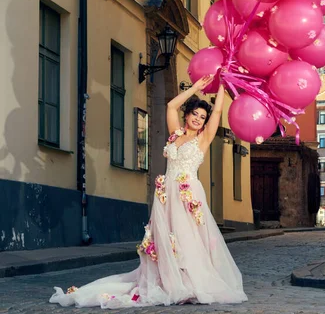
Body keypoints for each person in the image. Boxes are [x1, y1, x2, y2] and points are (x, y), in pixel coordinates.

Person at [50, 75, 247, 308]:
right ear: (188, 115)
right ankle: (168, 279)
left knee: (187, 238)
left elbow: (216, 114)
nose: (198, 119)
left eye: (202, 117)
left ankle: (189, 282)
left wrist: (222, 85)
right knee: (165, 239)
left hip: (188, 194)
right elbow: (171, 105)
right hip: (166, 195)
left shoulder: (203, 139)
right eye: (195, 114)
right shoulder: (175, 133)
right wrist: (195, 88)